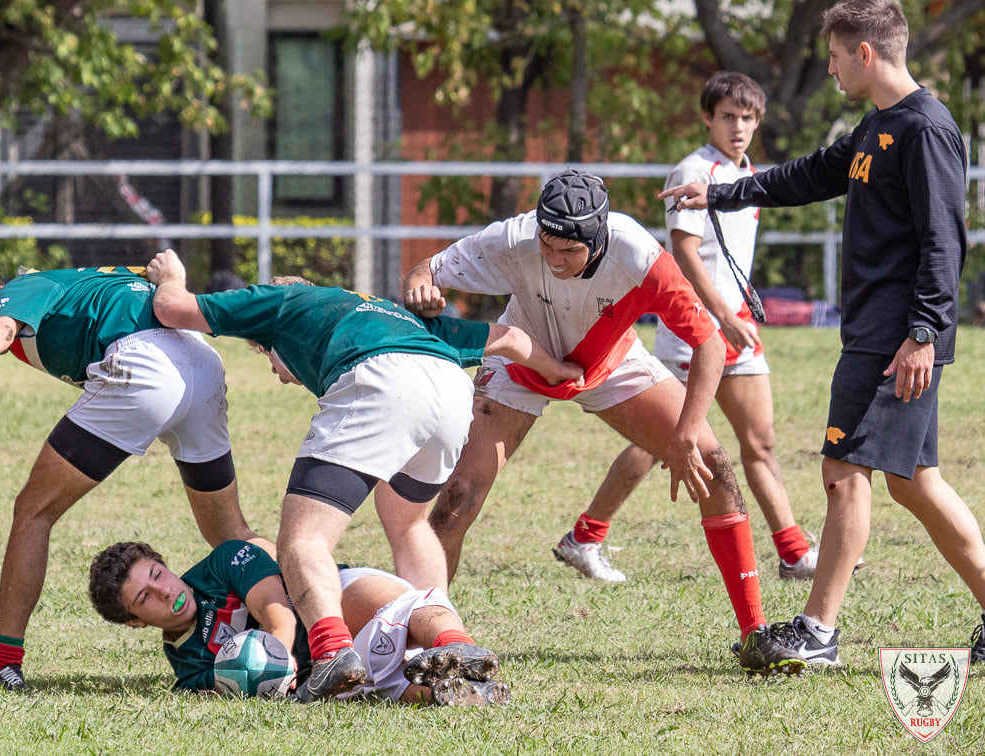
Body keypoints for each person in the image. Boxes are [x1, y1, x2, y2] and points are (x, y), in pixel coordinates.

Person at [661, 0, 985, 667]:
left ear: (865, 53)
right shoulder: (877, 126)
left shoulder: (925, 129)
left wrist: (923, 332)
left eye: (836, 55)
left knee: (843, 472)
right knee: (914, 481)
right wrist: (721, 194)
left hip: (896, 339)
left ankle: (818, 631)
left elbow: (943, 241)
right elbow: (808, 174)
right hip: (878, 332)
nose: (830, 67)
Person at [402, 168, 805, 677]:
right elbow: (423, 271)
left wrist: (684, 434)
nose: (552, 258)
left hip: (609, 362)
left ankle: (754, 635)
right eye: (546, 244)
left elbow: (708, 343)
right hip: (522, 358)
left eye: (567, 250)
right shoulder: (514, 236)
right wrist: (421, 289)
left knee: (715, 467)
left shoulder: (638, 256)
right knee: (457, 497)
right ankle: (422, 645)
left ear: (597, 238)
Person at [146, 248, 583, 699]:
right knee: (409, 522)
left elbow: (172, 308)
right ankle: (448, 645)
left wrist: (171, 274)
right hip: (451, 390)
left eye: (266, 356)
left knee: (303, 540)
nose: (278, 375)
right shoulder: (384, 307)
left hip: (380, 378)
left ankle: (332, 651)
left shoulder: (278, 303)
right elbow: (509, 339)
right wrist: (564, 371)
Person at [0, 265, 272, 689]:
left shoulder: (17, 292)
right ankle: (321, 621)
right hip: (201, 363)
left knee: (33, 511)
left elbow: (0, 327)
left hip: (145, 365)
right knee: (231, 533)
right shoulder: (68, 285)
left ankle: (3, 665)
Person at [552, 72, 834, 584]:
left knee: (762, 442)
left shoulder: (748, 173)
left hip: (738, 327)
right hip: (696, 329)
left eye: (748, 117)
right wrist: (721, 316)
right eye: (728, 116)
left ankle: (793, 552)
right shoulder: (693, 168)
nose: (739, 126)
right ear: (708, 118)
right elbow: (682, 250)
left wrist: (736, 316)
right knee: (659, 442)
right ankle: (585, 536)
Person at [88, 540, 510, 706]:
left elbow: (275, 605)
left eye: (157, 575)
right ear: (135, 622)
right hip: (329, 671)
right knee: (387, 691)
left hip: (330, 607)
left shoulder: (222, 562)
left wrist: (278, 652)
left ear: (164, 565)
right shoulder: (190, 669)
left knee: (405, 606)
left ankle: (459, 647)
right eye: (146, 598)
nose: (165, 592)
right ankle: (466, 693)